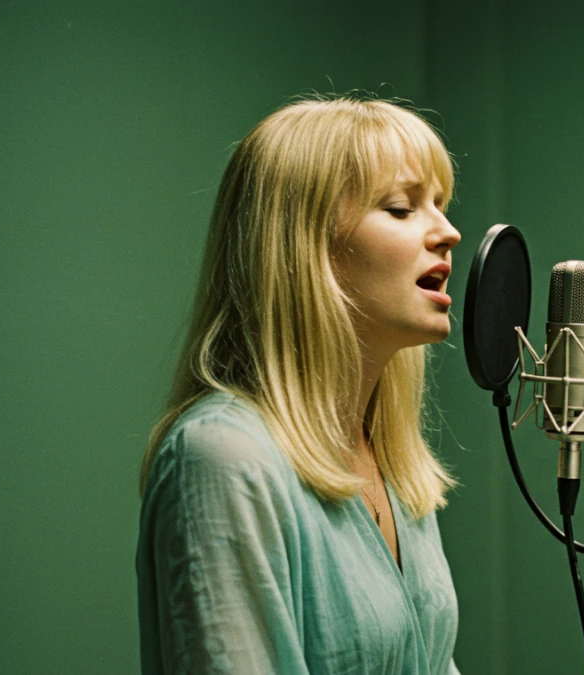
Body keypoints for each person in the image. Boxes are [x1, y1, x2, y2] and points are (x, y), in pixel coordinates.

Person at [135, 96, 463, 674]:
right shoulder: (224, 458)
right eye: (400, 207)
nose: (449, 233)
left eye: (440, 205)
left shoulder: (396, 468)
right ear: (307, 243)